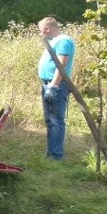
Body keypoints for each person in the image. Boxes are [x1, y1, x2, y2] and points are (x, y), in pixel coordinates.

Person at [37, 17, 76, 160]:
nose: (41, 33)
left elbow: (62, 65)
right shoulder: (54, 41)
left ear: (47, 28)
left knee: (56, 120)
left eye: (41, 30)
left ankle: (56, 154)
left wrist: (53, 85)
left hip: (57, 85)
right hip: (47, 83)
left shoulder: (63, 41)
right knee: (49, 120)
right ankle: (51, 151)